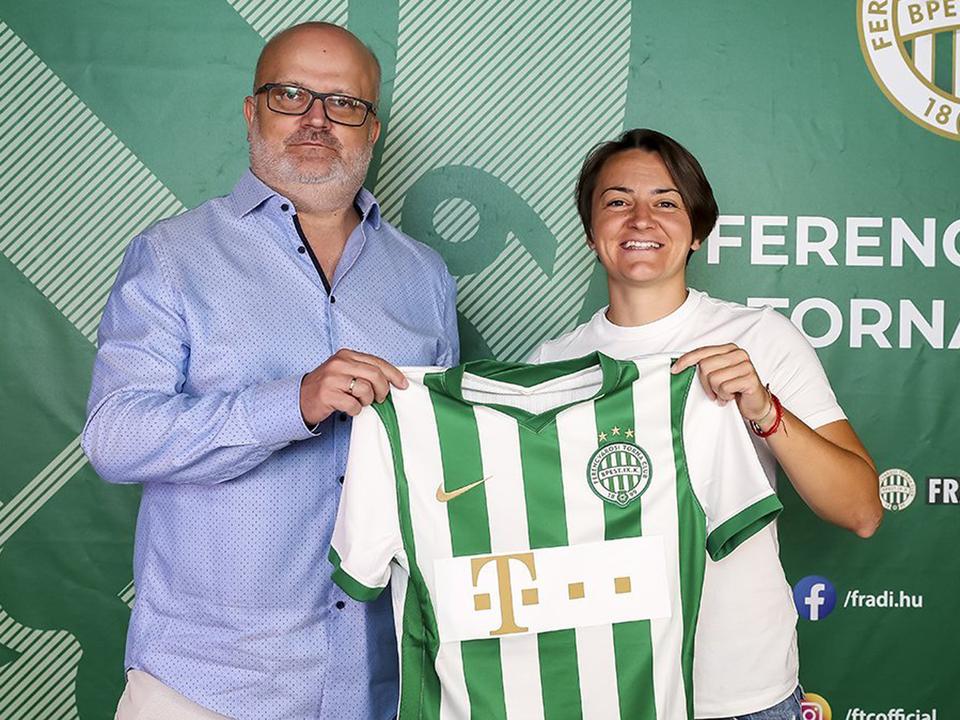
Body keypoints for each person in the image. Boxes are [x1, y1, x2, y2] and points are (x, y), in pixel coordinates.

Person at [82, 22, 458, 720]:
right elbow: (116, 438)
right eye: (291, 95)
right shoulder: (172, 256)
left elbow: (444, 473)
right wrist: (294, 402)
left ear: (373, 130)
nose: (317, 118)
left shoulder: (424, 276)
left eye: (344, 103)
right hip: (202, 686)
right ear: (252, 111)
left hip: (377, 686)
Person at [529, 128, 882, 720]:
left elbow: (862, 510)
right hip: (602, 689)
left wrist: (765, 410)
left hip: (741, 694)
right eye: (617, 201)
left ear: (696, 231)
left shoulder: (760, 339)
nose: (641, 219)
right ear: (592, 231)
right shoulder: (549, 365)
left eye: (666, 202)